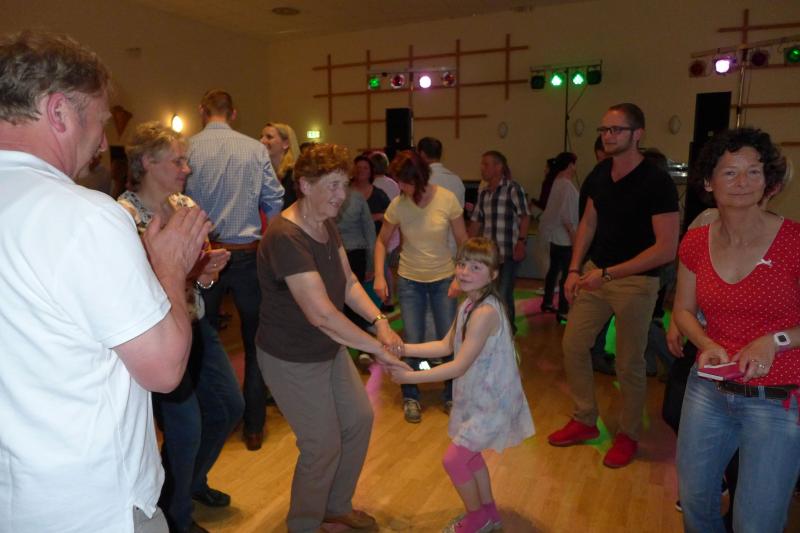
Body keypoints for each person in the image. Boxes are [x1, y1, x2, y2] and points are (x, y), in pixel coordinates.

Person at [0, 30, 211, 532]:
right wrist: (169, 268)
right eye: (98, 121)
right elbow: (164, 370)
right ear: (59, 112)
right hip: (91, 505)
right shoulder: (85, 215)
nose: (101, 142)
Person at [255, 143, 407, 533]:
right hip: (290, 357)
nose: (343, 195)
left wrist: (379, 321)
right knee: (321, 446)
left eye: (345, 185)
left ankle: (335, 507)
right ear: (305, 185)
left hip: (327, 349)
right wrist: (377, 348)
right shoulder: (286, 236)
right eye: (333, 185)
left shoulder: (325, 222)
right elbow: (321, 314)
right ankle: (304, 524)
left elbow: (349, 282)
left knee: (358, 420)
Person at [118, 122, 245, 533]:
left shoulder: (183, 204)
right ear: (146, 162)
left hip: (195, 325)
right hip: (155, 337)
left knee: (229, 407)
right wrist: (188, 273)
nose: (186, 169)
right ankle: (176, 517)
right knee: (185, 428)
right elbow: (130, 288)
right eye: (177, 161)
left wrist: (205, 273)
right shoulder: (124, 216)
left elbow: (194, 276)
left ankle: (187, 484)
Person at [673, 127, 799, 533]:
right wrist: (705, 343)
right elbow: (683, 310)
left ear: (768, 180)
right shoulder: (696, 242)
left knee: (756, 522)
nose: (742, 182)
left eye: (753, 172)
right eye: (730, 172)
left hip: (777, 397)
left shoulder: (795, 241)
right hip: (709, 388)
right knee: (695, 501)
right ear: (709, 182)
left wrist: (775, 341)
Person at [547, 103, 679, 469]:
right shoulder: (600, 173)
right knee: (573, 345)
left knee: (629, 363)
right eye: (604, 129)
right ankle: (585, 418)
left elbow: (666, 248)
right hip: (595, 274)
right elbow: (588, 224)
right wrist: (574, 269)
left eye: (616, 129)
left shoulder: (656, 182)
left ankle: (628, 434)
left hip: (636, 282)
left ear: (638, 134)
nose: (608, 135)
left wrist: (608, 274)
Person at [389, 237, 534, 533]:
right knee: (471, 457)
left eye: (476, 267)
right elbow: (446, 346)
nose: (465, 271)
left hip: (492, 403)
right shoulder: (468, 304)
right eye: (462, 263)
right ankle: (489, 515)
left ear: (493, 274)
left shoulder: (484, 313)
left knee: (454, 460)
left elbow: (457, 366)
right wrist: (403, 348)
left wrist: (410, 377)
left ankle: (477, 519)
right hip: (478, 397)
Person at [186, 90, 284, 451]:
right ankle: (254, 427)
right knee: (255, 341)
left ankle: (212, 418)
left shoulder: (188, 148)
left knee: (202, 340)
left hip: (204, 255)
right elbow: (274, 198)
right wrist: (268, 243)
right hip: (246, 255)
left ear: (201, 110)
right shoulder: (255, 149)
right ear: (234, 113)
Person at [374, 150, 468, 423]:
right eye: (399, 182)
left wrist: (460, 277)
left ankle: (451, 394)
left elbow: (463, 241)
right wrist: (379, 275)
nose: (402, 187)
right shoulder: (399, 205)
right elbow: (381, 241)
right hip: (410, 282)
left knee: (448, 341)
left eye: (406, 182)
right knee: (410, 342)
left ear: (420, 178)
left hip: (443, 280)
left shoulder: (446, 199)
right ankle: (410, 395)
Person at [469, 151, 530, 334]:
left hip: (509, 251)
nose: (482, 168)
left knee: (504, 293)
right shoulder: (484, 193)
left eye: (486, 164)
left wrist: (521, 242)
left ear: (498, 167)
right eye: (482, 164)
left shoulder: (513, 189)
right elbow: (476, 222)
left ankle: (506, 330)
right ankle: (497, 327)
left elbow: (525, 216)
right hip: (490, 256)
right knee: (491, 293)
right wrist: (468, 247)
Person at [538, 152, 579, 322]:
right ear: (570, 165)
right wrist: (575, 240)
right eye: (574, 164)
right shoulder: (567, 186)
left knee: (554, 271)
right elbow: (567, 217)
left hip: (555, 237)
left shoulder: (557, 182)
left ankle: (547, 302)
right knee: (565, 275)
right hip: (565, 239)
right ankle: (563, 310)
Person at [369, 150, 400, 312]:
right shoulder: (393, 183)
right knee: (385, 266)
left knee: (382, 266)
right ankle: (389, 297)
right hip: (393, 230)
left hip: (381, 229)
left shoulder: (373, 184)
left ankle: (387, 299)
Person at [261, 121, 300, 208]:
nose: (262, 141)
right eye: (261, 137)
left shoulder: (294, 175)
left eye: (269, 137)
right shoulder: (265, 171)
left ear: (285, 144)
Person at [351, 154, 390, 235]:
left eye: (365, 168)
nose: (361, 170)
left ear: (371, 172)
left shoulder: (379, 194)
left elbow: (391, 217)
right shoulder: (343, 192)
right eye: (358, 167)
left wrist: (378, 216)